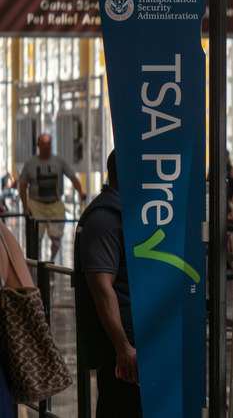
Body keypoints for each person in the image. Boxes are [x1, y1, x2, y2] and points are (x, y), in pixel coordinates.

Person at [73, 150, 141, 417]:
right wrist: (123, 347)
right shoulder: (104, 218)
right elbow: (101, 287)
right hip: (122, 349)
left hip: (129, 343)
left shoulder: (123, 213)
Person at [18, 133, 85, 261]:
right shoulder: (31, 164)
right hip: (36, 204)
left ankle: (51, 260)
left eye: (49, 144)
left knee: (56, 238)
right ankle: (37, 264)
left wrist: (80, 192)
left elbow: (72, 177)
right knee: (35, 237)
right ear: (38, 145)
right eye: (43, 144)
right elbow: (22, 184)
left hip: (55, 204)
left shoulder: (59, 162)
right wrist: (25, 206)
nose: (46, 147)